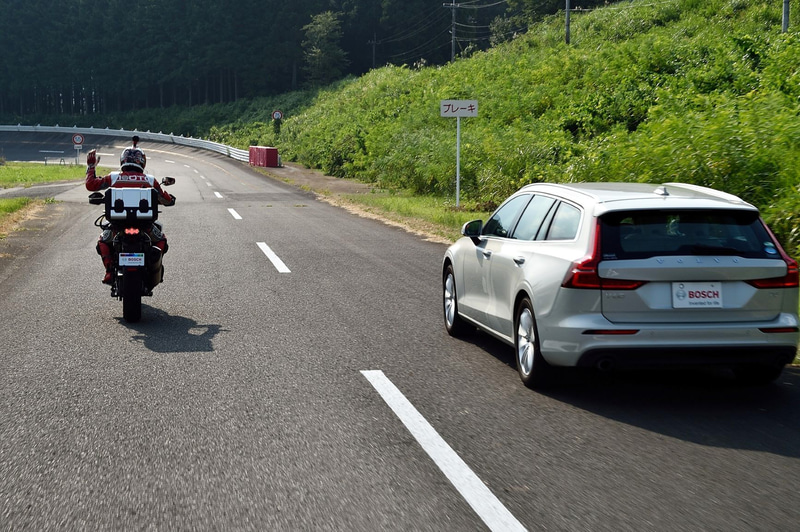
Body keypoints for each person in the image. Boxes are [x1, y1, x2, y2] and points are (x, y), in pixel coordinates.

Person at [85, 136, 176, 284]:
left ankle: (109, 271)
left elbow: (91, 185)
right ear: (142, 161)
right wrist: (169, 200)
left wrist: (91, 167)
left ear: (123, 160)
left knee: (102, 241)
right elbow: (166, 198)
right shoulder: (150, 180)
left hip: (117, 226)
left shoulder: (113, 177)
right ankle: (154, 266)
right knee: (162, 240)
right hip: (145, 227)